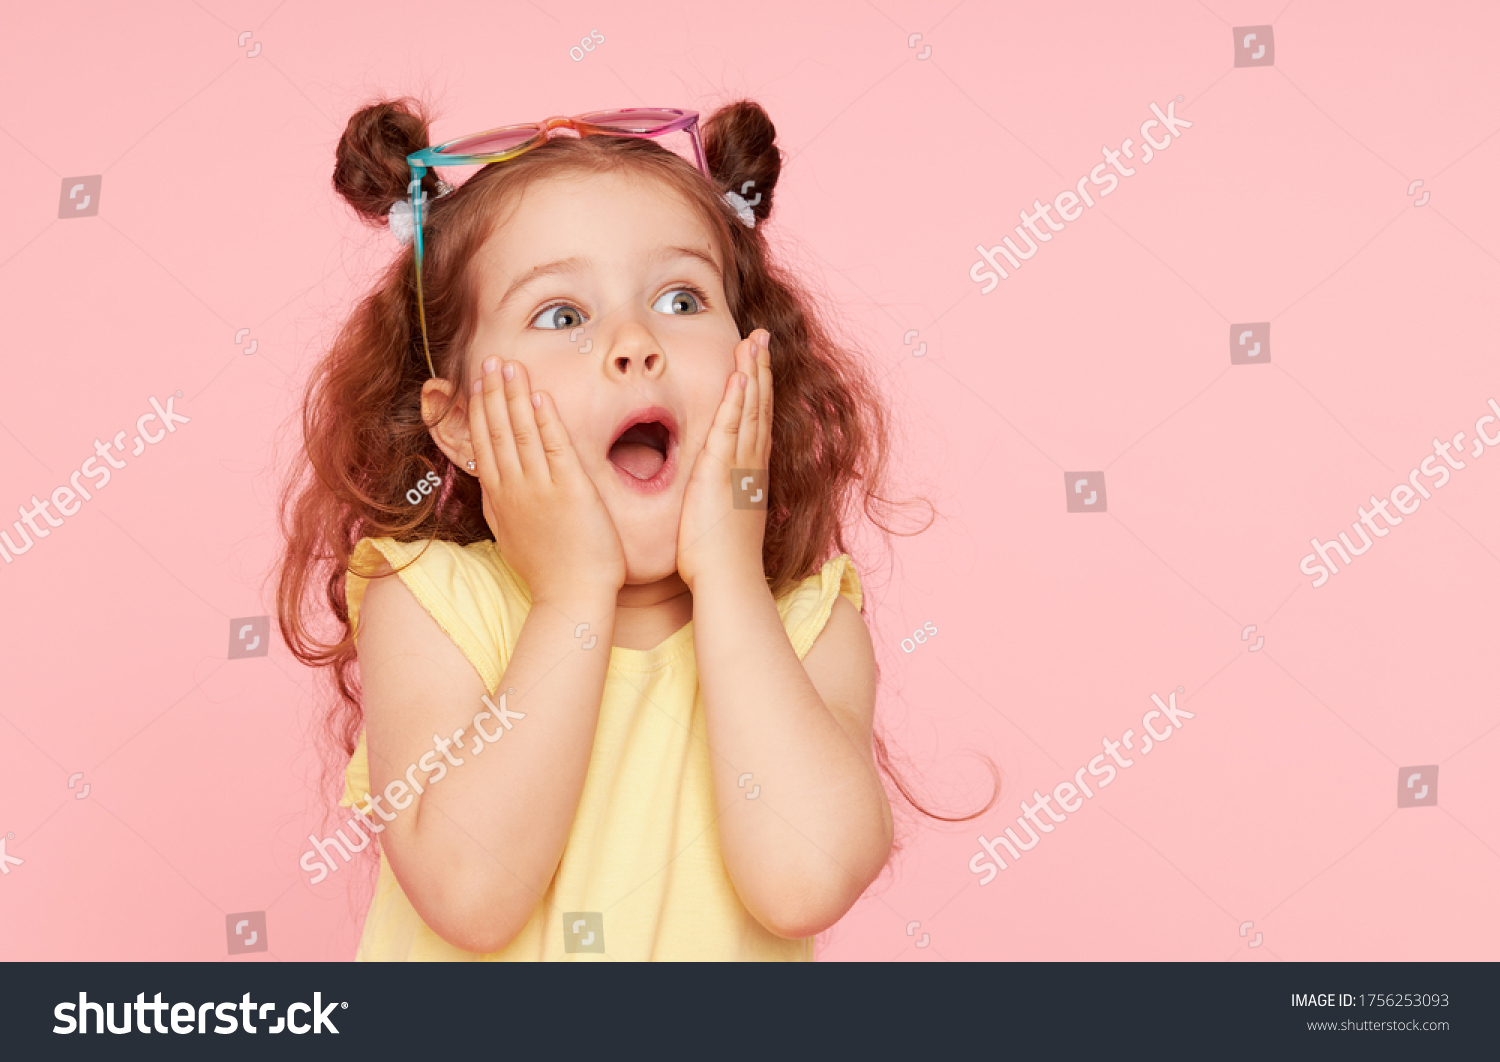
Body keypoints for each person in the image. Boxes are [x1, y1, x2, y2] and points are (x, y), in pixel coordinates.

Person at [277, 97, 931, 960]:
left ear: (757, 359)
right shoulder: (431, 600)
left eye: (681, 298)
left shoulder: (806, 619)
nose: (634, 342)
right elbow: (470, 895)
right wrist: (574, 594)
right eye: (562, 316)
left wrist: (731, 580)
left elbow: (804, 880)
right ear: (463, 426)